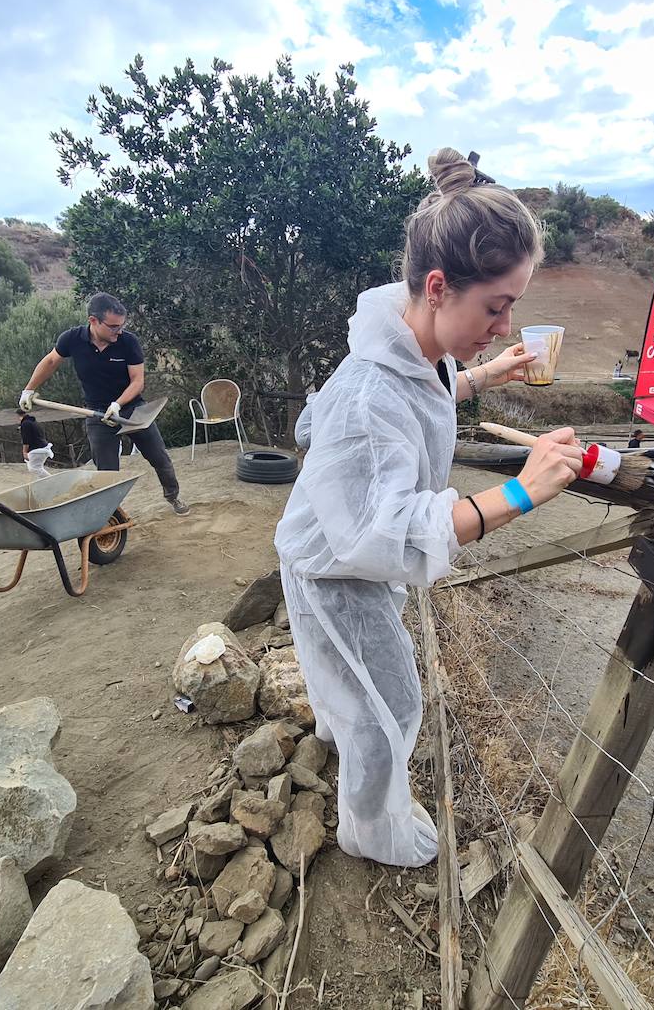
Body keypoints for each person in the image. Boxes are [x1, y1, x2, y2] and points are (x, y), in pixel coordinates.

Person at [275, 148, 583, 868]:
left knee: (348, 685)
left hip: (337, 549)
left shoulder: (414, 343)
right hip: (334, 573)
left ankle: (332, 730)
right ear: (439, 285)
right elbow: (390, 531)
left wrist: (481, 375)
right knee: (393, 710)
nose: (507, 327)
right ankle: (370, 830)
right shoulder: (364, 396)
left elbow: (421, 397)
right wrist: (519, 492)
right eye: (497, 307)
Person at [19, 293, 188, 515]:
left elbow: (138, 381)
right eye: (113, 327)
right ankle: (112, 516)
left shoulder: (128, 342)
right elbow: (51, 361)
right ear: (93, 321)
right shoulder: (72, 339)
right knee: (106, 472)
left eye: (121, 326)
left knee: (159, 457)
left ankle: (173, 496)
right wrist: (29, 389)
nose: (119, 331)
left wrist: (118, 404)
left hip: (132, 409)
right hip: (96, 413)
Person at [18, 408, 52, 480]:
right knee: (36, 468)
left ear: (19, 415)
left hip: (37, 449)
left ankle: (52, 480)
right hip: (43, 447)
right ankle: (43, 482)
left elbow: (26, 439)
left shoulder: (25, 424)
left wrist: (24, 452)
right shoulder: (34, 422)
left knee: (34, 468)